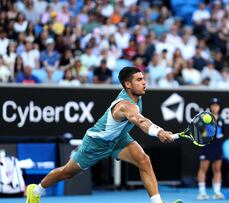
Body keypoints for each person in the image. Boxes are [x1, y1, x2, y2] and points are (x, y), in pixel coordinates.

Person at [26, 67, 182, 203]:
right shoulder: (125, 105)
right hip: (96, 143)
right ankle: (35, 191)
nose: (144, 82)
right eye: (139, 79)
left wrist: (158, 130)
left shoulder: (136, 95)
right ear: (127, 85)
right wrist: (159, 131)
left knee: (144, 159)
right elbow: (140, 121)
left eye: (143, 79)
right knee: (67, 172)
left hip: (119, 138)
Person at [196, 97, 225, 200]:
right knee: (203, 168)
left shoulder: (222, 119)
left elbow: (222, 133)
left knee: (217, 169)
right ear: (210, 106)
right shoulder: (205, 118)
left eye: (217, 105)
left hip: (217, 146)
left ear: (219, 107)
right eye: (213, 105)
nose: (215, 107)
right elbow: (200, 132)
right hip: (207, 145)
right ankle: (202, 192)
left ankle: (217, 192)